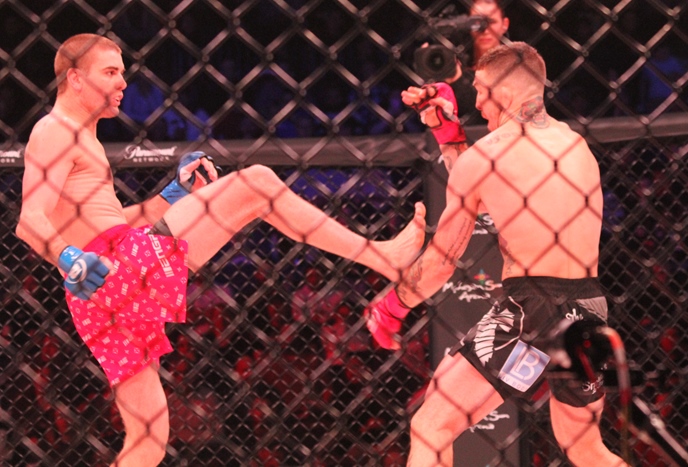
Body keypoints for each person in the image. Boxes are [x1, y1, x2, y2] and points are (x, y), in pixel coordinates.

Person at [15, 33, 426, 467]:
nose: (123, 84)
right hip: (109, 269)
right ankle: (385, 257)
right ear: (75, 79)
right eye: (111, 73)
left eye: (123, 73)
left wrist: (171, 196)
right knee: (258, 183)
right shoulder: (55, 130)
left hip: (101, 291)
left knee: (149, 439)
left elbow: (112, 222)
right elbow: (30, 220)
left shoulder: (83, 137)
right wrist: (67, 258)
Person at [366, 42, 627, 466]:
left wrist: (392, 305)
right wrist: (448, 135)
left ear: (504, 90)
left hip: (532, 308)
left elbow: (439, 263)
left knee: (431, 427)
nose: (478, 102)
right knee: (587, 449)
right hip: (589, 308)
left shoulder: (490, 155)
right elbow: (494, 189)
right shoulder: (575, 147)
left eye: (482, 90)